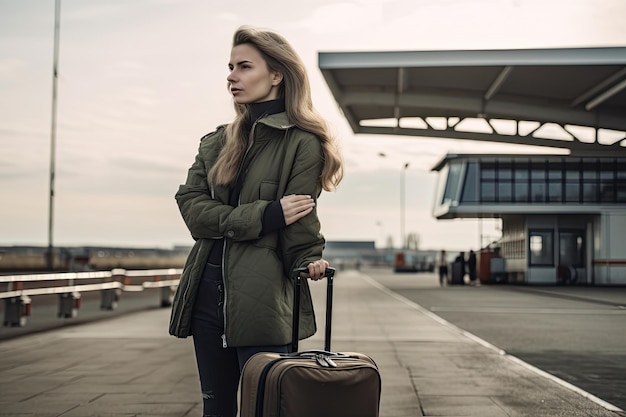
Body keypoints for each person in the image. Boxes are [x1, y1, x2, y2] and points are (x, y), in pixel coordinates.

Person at [168, 26, 343, 417]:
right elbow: (191, 210)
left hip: (262, 303)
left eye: (244, 66)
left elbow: (298, 223)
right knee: (216, 411)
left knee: (263, 410)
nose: (231, 76)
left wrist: (308, 261)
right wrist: (264, 215)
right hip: (204, 299)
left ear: (277, 74)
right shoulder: (215, 142)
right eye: (230, 67)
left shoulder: (302, 143)